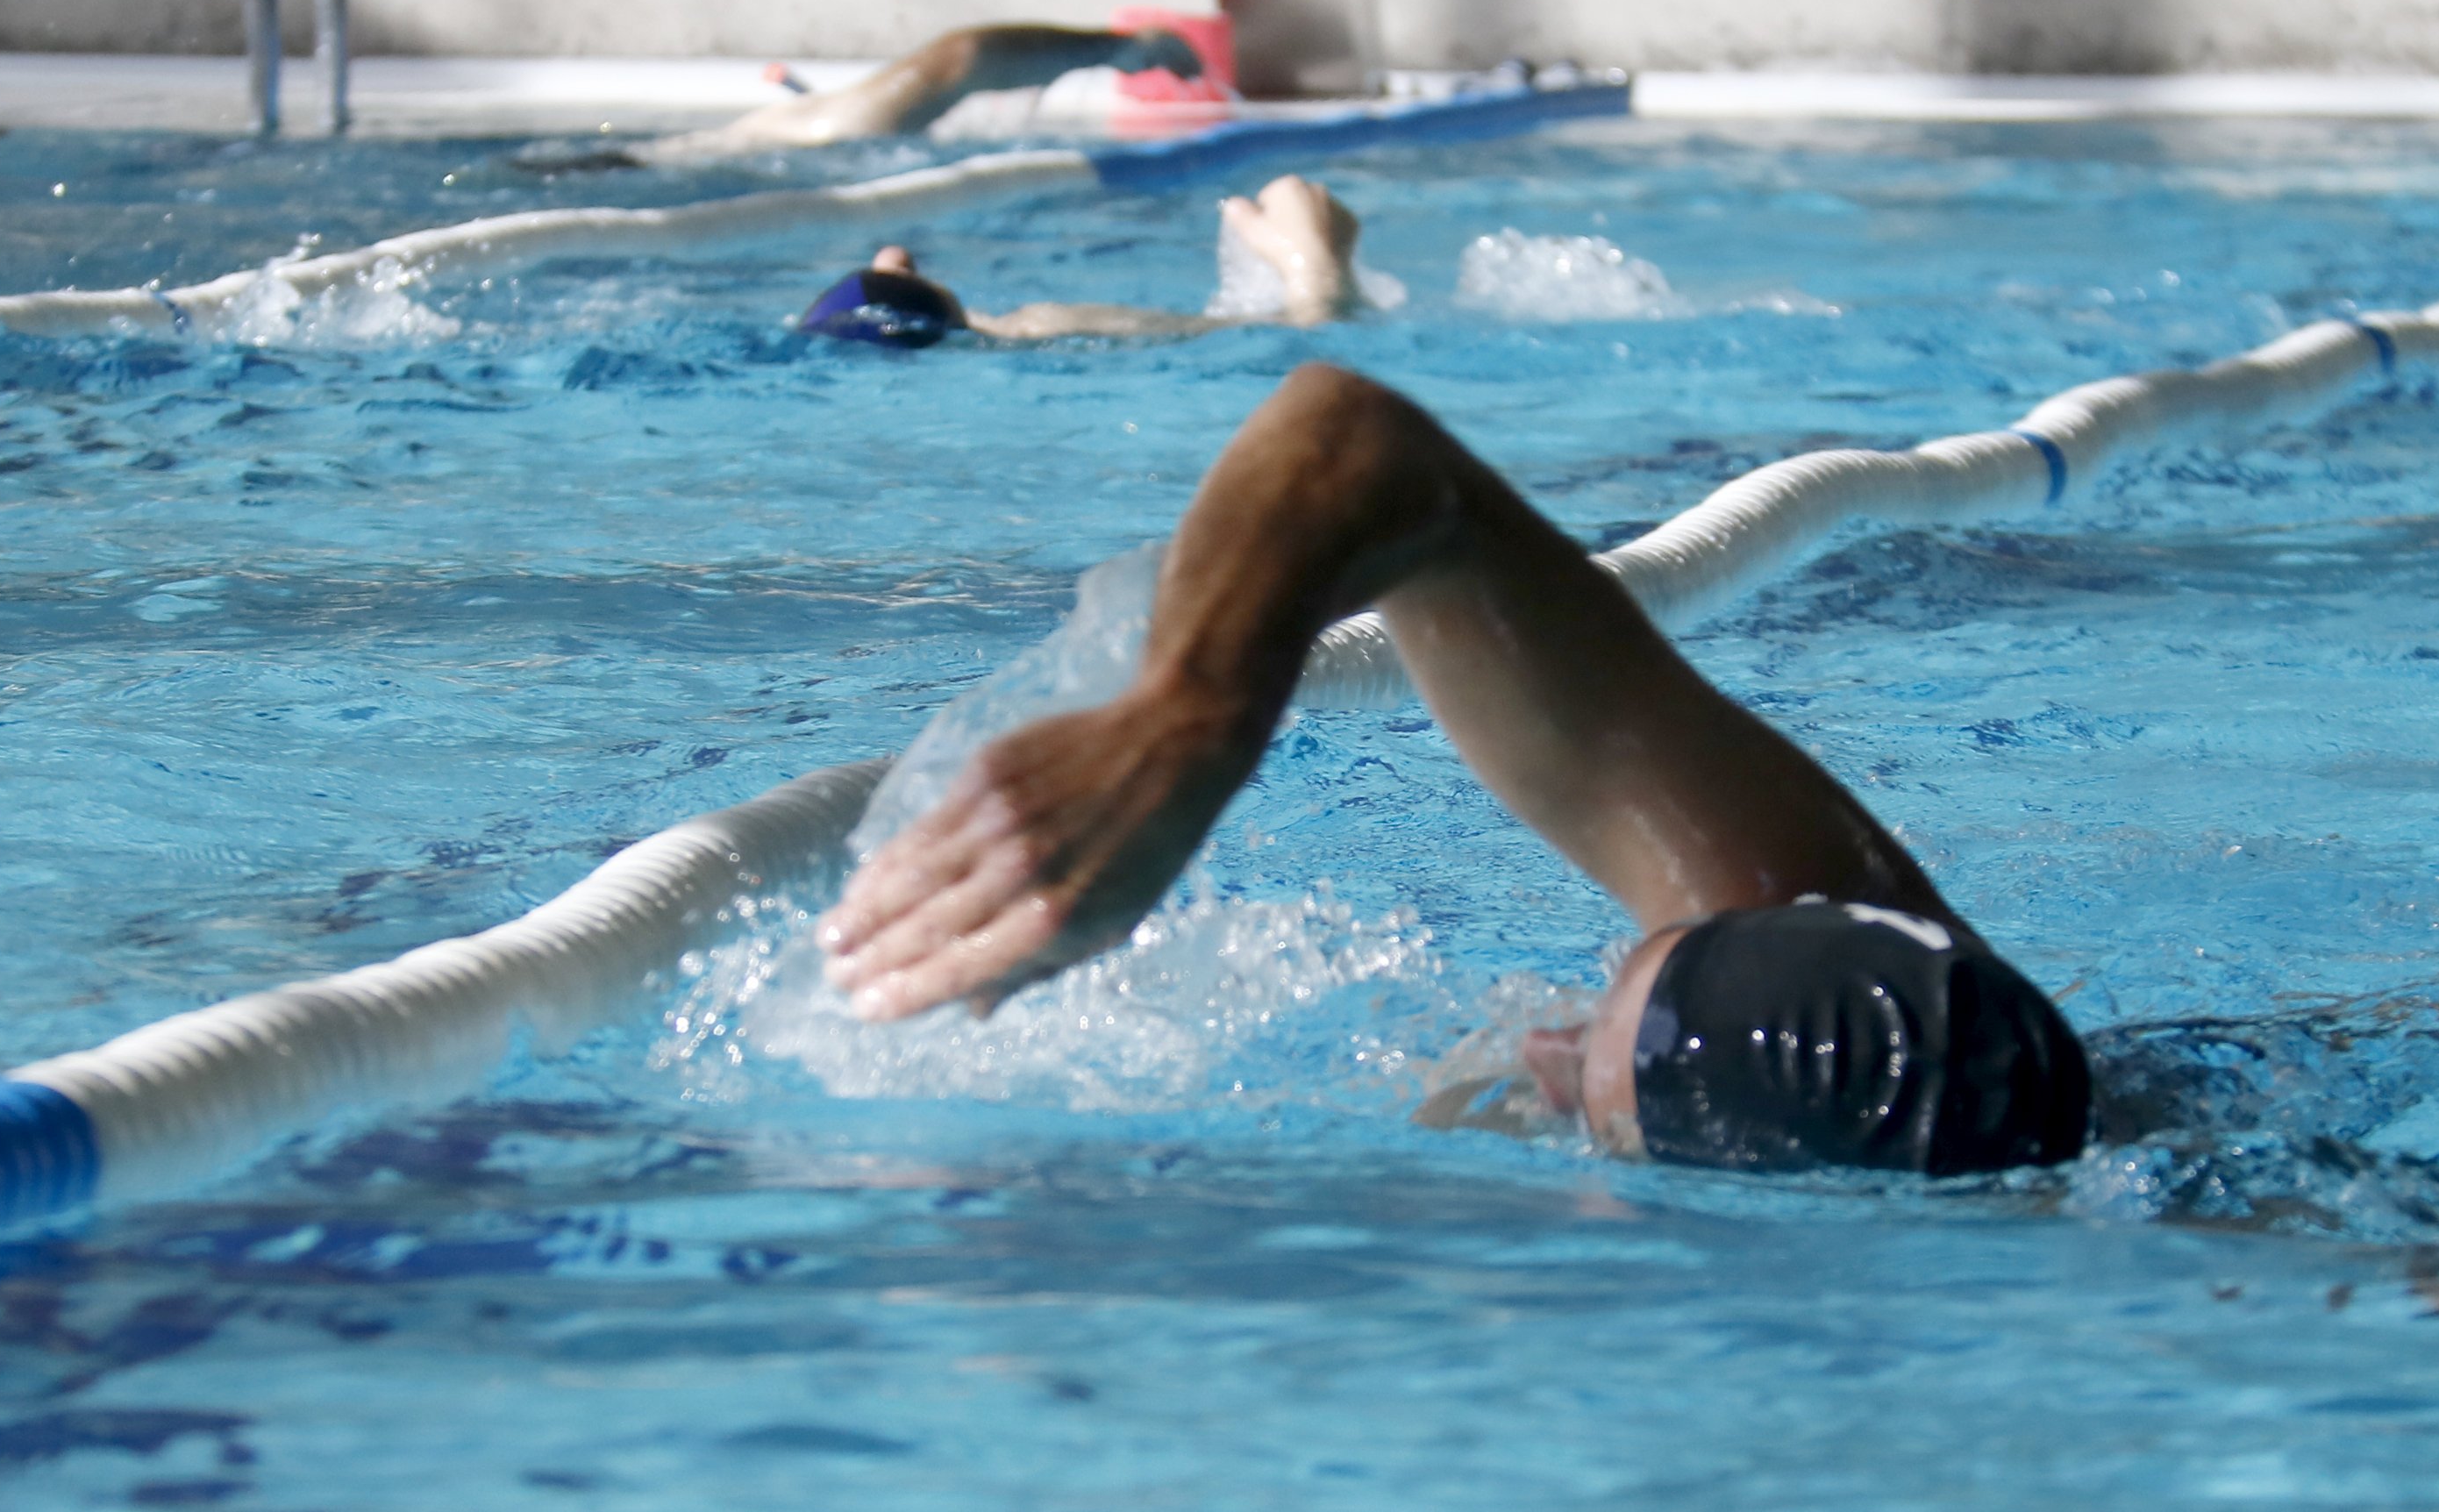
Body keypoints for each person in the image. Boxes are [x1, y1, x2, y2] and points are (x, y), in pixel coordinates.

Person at [818, 363, 2096, 1178]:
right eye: (1605, 995)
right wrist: (1186, 716)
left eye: (1587, 1096)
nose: (1541, 1042)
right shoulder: (1918, 999)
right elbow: (1366, 448)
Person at [804, 174, 1372, 348]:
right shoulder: (1037, 331)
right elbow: (1311, 337)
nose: (895, 256)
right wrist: (1315, 267)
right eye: (896, 274)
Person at [653, 23, 1206, 163]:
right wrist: (1119, 50)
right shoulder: (832, 139)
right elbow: (963, 58)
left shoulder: (819, 135)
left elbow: (960, 60)